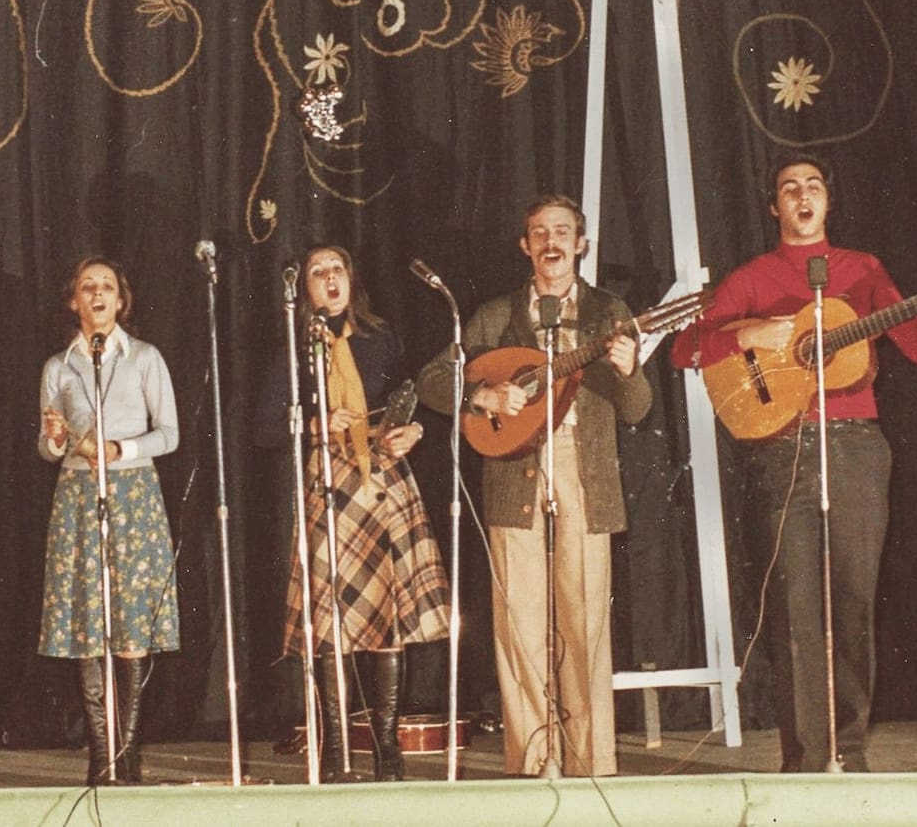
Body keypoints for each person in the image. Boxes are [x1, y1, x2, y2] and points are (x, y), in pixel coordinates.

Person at [670, 153, 917, 772]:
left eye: (813, 186)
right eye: (790, 189)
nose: (803, 196)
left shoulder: (863, 270)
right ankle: (806, 760)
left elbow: (915, 346)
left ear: (828, 202)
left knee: (854, 603)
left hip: (857, 447)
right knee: (796, 608)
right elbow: (685, 348)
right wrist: (746, 334)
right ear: (774, 206)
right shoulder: (754, 276)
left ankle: (852, 752)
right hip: (784, 447)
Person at [416, 195, 651, 778]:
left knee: (585, 618)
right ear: (526, 246)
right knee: (518, 621)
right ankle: (532, 759)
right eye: (539, 232)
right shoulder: (498, 315)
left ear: (581, 244)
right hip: (512, 473)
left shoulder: (608, 310)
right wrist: (485, 396)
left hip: (584, 473)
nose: (551, 242)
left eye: (563, 232)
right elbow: (433, 379)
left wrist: (627, 370)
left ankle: (589, 760)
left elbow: (638, 409)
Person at [255, 244, 450, 782]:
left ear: (351, 279)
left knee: (387, 613)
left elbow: (413, 397)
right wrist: (319, 425)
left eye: (337, 268)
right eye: (318, 272)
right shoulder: (295, 351)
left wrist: (415, 430)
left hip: (382, 475)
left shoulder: (379, 337)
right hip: (330, 484)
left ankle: (386, 746)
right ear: (306, 290)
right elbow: (266, 427)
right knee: (330, 622)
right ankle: (336, 747)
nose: (330, 278)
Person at [37, 256, 180, 785]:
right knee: (88, 626)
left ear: (121, 300)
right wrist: (54, 439)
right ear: (73, 301)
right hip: (77, 492)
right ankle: (100, 753)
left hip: (134, 492)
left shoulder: (144, 357)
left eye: (108, 287)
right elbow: (48, 447)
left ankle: (128, 751)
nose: (97, 294)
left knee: (131, 625)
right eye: (87, 287)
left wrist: (120, 448)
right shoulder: (59, 365)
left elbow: (170, 434)